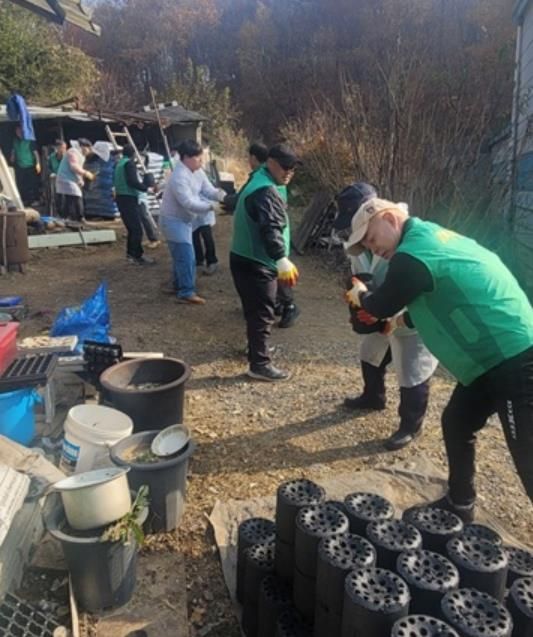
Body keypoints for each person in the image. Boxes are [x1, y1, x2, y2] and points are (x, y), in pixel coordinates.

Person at [344, 197, 533, 522]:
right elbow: (438, 299)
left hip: (513, 358)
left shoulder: (412, 255)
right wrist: (398, 322)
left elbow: (380, 305)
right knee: (457, 421)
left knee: (528, 457)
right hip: (491, 360)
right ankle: (460, 503)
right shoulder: (429, 241)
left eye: (372, 239)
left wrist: (360, 294)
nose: (374, 250)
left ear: (390, 219)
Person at [334, 183, 438, 450]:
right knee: (370, 351)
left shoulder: (405, 238)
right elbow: (359, 276)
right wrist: (360, 304)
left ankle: (410, 425)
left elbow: (414, 290)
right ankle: (373, 396)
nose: (356, 234)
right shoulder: (362, 242)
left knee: (412, 369)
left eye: (364, 231)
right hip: (379, 305)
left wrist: (385, 312)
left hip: (411, 314)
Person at [230, 143, 300, 381]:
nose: (289, 172)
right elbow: (270, 228)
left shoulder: (258, 178)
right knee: (262, 313)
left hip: (244, 258)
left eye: (293, 168)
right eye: (285, 167)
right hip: (256, 263)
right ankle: (259, 364)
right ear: (270, 162)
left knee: (254, 311)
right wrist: (280, 258)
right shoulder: (265, 191)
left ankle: (255, 349)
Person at [159, 139, 225, 304]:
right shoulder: (179, 177)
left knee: (181, 256)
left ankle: (176, 284)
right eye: (198, 157)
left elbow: (207, 189)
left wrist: (220, 195)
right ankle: (186, 292)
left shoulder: (197, 171)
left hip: (185, 220)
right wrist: (211, 207)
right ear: (186, 157)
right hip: (173, 221)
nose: (201, 161)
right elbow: (188, 202)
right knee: (187, 257)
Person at [113, 144, 154, 265]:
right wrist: (146, 188)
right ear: (133, 154)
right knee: (137, 229)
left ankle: (130, 255)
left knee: (132, 228)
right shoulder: (129, 164)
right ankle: (137, 256)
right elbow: (132, 181)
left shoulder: (119, 164)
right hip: (129, 198)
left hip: (121, 198)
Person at [55, 138, 94, 222]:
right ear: (83, 147)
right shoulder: (73, 152)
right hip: (65, 178)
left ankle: (68, 218)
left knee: (71, 198)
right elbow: (74, 167)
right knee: (76, 196)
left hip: (71, 179)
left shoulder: (82, 156)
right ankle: (80, 217)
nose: (89, 151)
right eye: (89, 148)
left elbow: (79, 169)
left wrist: (80, 180)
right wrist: (86, 173)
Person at [9, 125, 41, 206]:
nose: (18, 132)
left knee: (32, 183)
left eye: (20, 131)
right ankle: (24, 200)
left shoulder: (29, 140)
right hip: (20, 166)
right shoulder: (15, 141)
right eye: (17, 131)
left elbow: (35, 153)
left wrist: (38, 163)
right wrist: (12, 158)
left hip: (30, 165)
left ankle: (36, 200)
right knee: (21, 184)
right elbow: (13, 151)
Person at [48, 139, 67, 215]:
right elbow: (48, 168)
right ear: (57, 148)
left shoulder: (67, 157)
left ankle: (66, 214)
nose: (63, 150)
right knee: (57, 197)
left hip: (66, 179)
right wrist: (51, 173)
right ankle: (59, 213)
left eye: (64, 148)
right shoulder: (51, 157)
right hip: (56, 179)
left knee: (66, 198)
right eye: (61, 148)